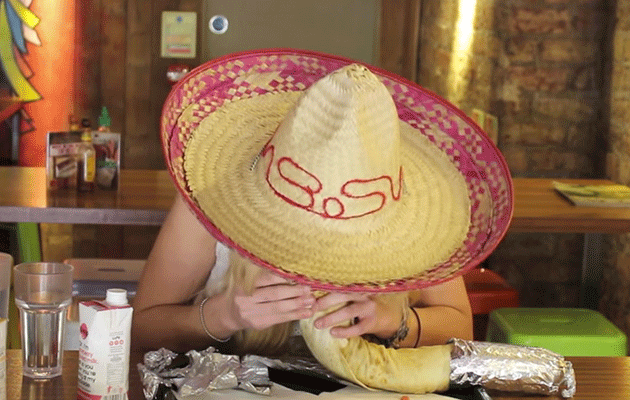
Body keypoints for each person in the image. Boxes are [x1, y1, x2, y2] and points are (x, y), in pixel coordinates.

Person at [131, 50, 506, 356]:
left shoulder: (423, 219)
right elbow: (142, 329)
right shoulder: (210, 196)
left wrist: (394, 320)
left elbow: (460, 327)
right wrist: (224, 315)